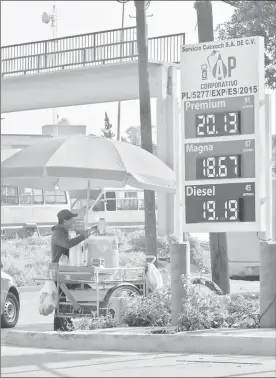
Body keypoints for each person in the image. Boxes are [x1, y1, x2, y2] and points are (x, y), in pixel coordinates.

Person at [51, 209, 90, 331]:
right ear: (65, 221)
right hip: (58, 269)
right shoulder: (58, 233)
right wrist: (83, 236)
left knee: (64, 296)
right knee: (64, 296)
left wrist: (81, 233)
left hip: (63, 269)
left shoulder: (63, 231)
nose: (73, 221)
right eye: (71, 219)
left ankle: (63, 324)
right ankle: (62, 324)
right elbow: (68, 244)